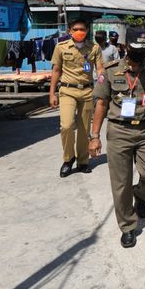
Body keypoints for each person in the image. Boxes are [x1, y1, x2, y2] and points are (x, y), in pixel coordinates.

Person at [89, 27, 145, 248]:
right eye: (137, 48)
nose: (141, 53)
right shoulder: (110, 70)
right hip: (119, 131)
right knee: (121, 182)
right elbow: (101, 104)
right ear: (126, 47)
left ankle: (141, 195)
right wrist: (94, 136)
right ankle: (127, 225)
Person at [48, 19, 103, 177]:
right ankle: (68, 159)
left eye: (82, 29)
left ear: (87, 31)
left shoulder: (94, 48)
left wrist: (101, 77)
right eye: (76, 29)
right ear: (70, 31)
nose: (79, 31)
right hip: (67, 91)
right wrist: (52, 93)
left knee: (84, 129)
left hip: (86, 91)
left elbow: (100, 68)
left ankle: (82, 160)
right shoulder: (61, 47)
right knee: (66, 126)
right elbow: (56, 70)